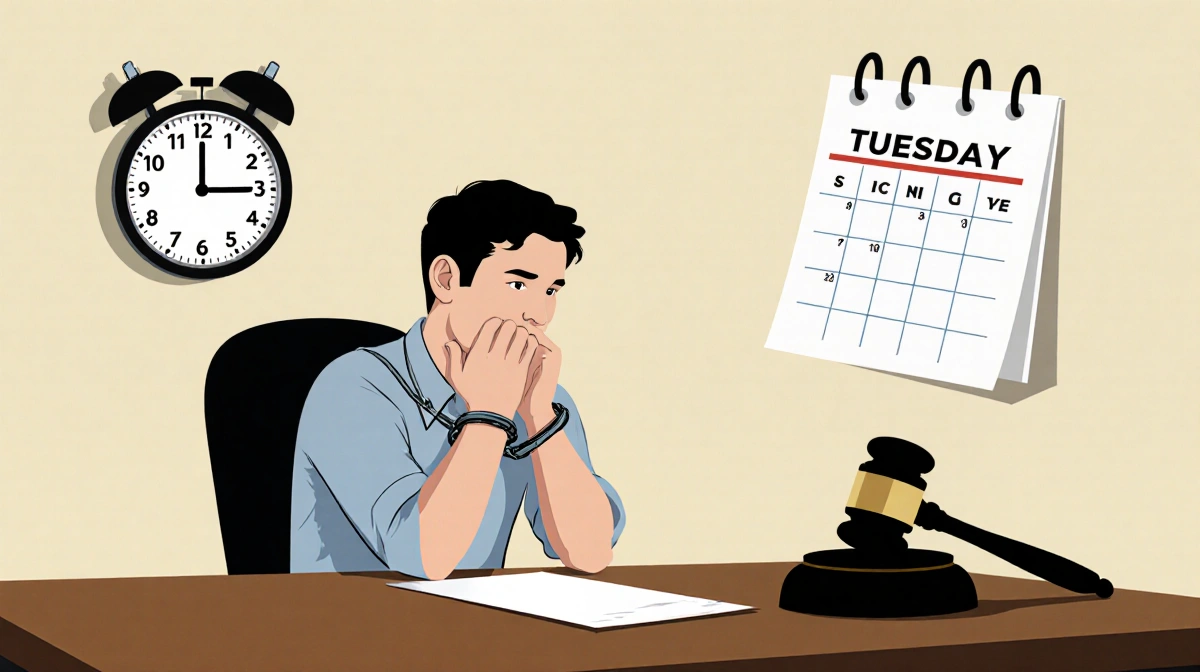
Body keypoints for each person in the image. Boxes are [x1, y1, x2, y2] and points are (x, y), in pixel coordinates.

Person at [290, 179, 626, 580]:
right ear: (446, 279)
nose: (540, 314)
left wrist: (539, 416)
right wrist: (488, 414)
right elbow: (422, 556)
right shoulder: (351, 388)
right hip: (352, 630)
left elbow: (589, 553)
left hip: (473, 632)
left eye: (551, 289)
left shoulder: (539, 395)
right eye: (519, 284)